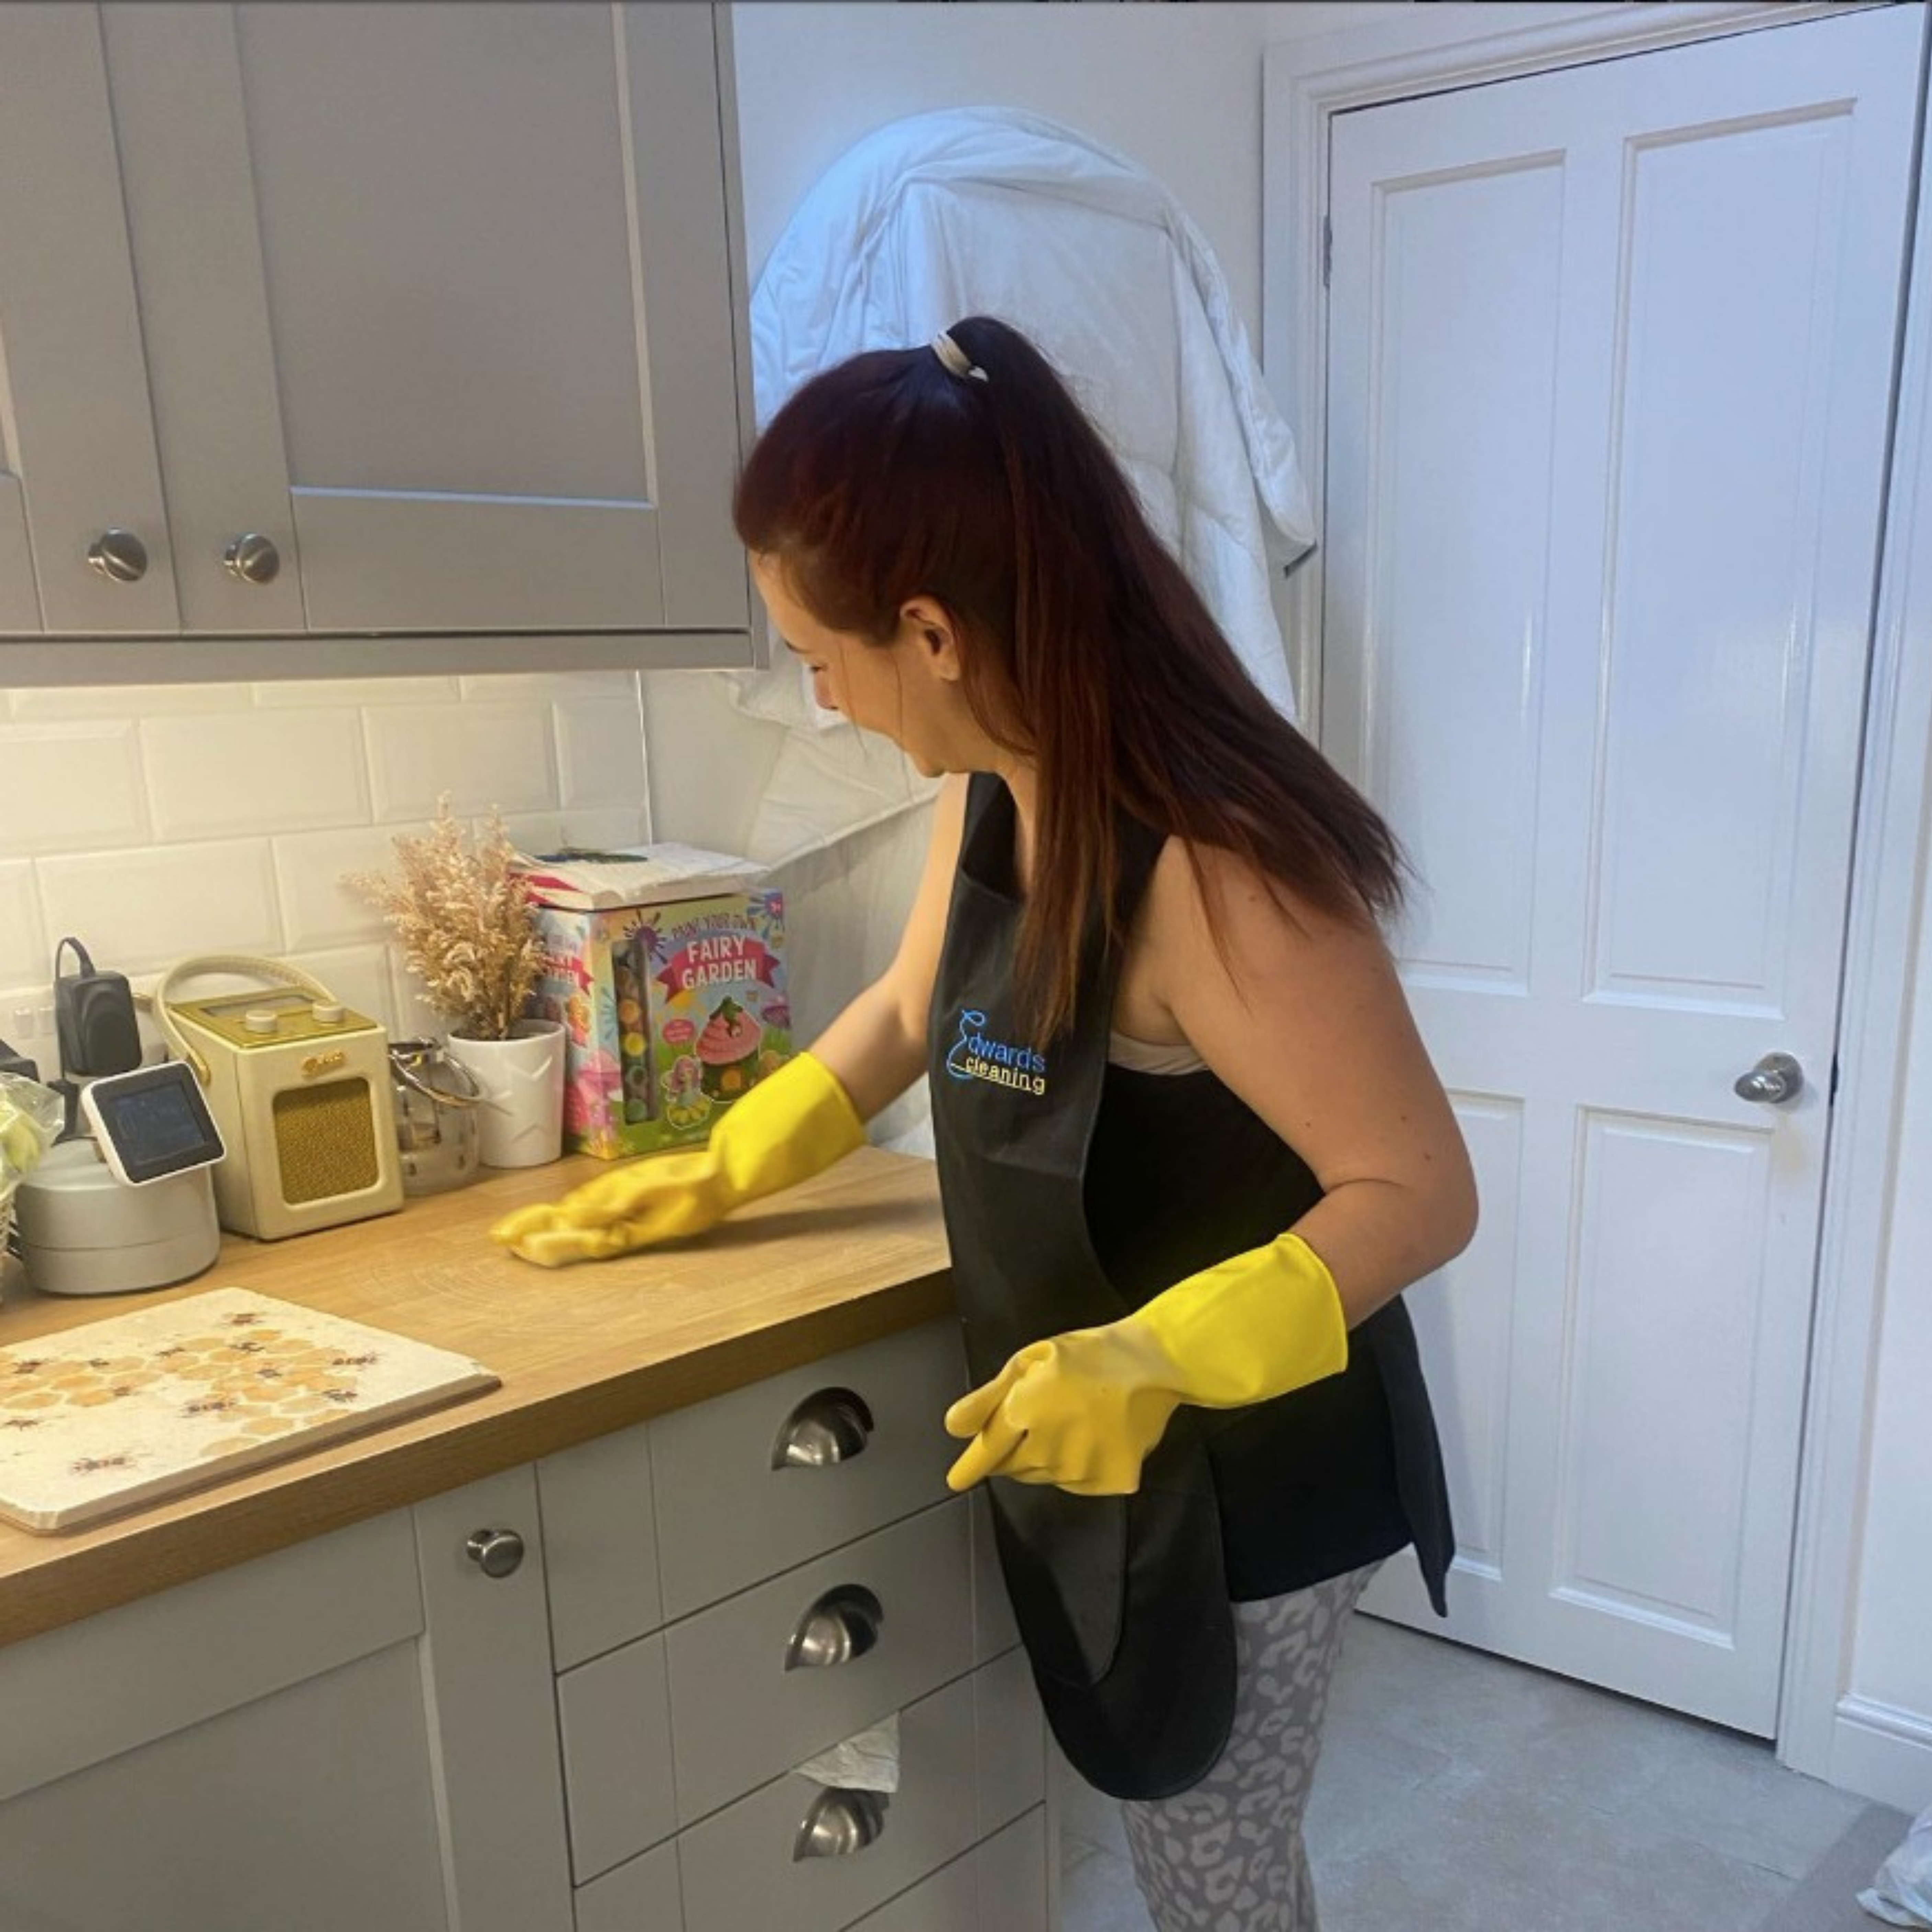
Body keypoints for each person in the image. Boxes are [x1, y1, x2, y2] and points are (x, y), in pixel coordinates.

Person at [493, 316, 1477, 1932]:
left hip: (1254, 1469)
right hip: (1119, 1447)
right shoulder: (1005, 772)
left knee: (1212, 1875)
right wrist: (725, 1163)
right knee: (1186, 1838)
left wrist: (1155, 1358)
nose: (817, 697)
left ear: (932, 629)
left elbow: (1419, 1189)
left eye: (821, 656)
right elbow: (902, 1006)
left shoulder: (1215, 861)